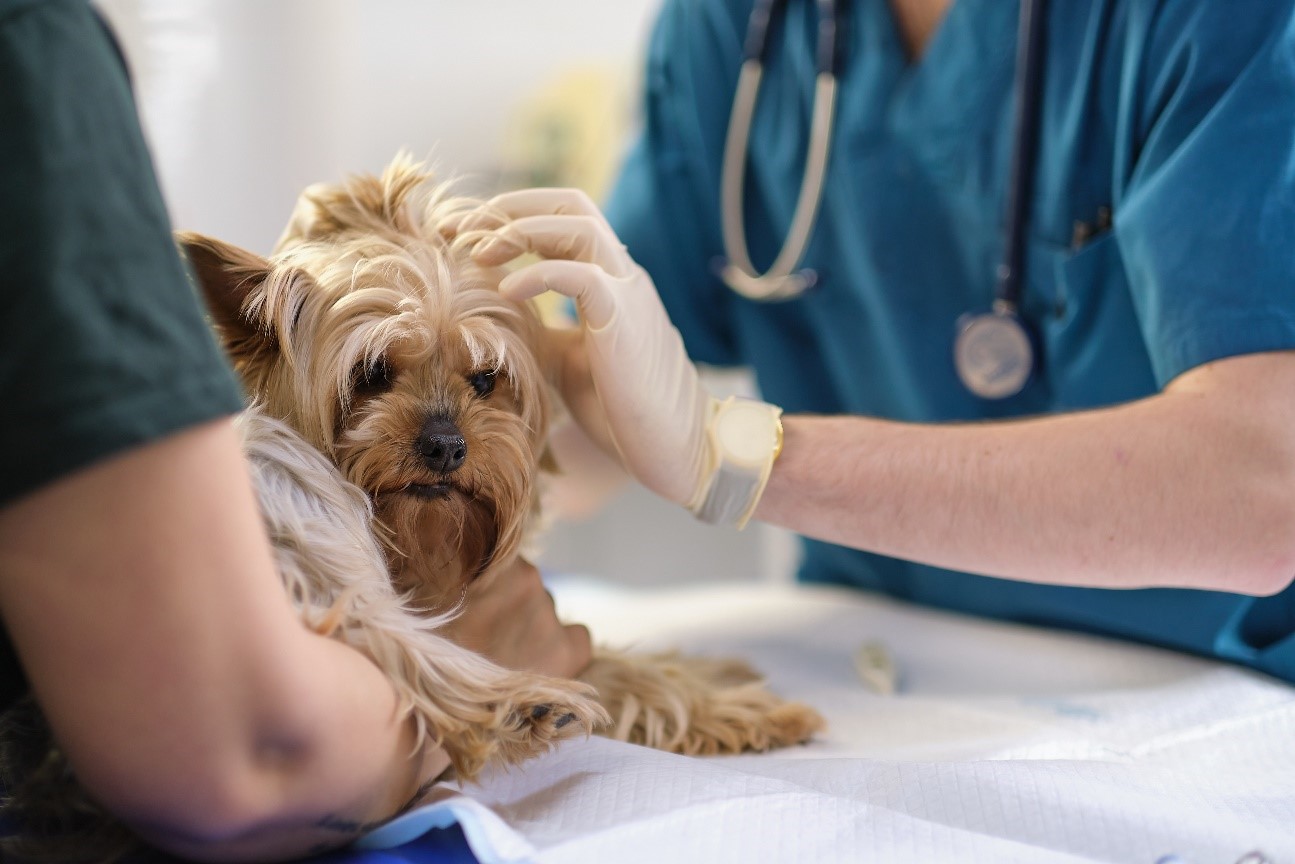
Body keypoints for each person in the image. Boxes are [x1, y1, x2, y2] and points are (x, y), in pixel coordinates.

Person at [468, 0, 1295, 684]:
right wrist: (476, 365)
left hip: (1206, 693)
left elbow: (1262, 492)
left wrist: (737, 461)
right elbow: (580, 458)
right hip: (870, 664)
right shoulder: (738, 25)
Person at [0, 1, 589, 860]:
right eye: (374, 378)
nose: (444, 436)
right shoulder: (34, 57)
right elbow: (247, 754)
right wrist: (467, 681)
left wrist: (701, 449)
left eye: (482, 383)